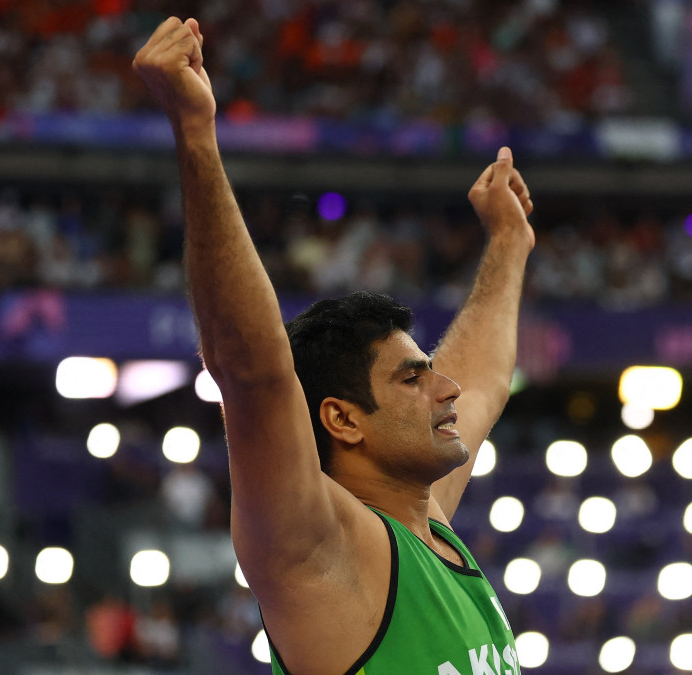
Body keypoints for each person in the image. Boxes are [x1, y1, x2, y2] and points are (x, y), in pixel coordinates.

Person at [133, 16, 535, 675]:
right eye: (411, 378)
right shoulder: (322, 548)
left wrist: (509, 249)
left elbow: (483, 377)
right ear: (342, 418)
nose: (447, 389)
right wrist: (195, 133)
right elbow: (252, 371)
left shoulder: (425, 526)